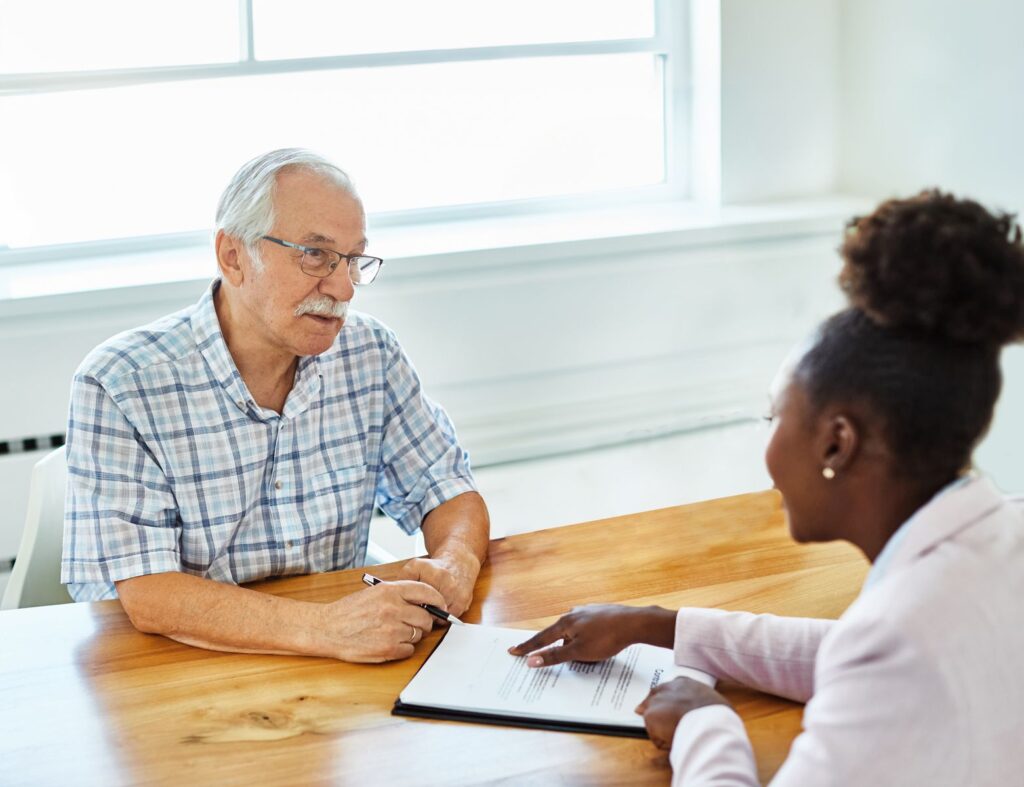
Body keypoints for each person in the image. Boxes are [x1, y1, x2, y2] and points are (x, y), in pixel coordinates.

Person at [511, 190, 1024, 784]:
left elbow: (877, 657)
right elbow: (850, 652)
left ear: (837, 442)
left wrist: (705, 725)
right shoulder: (1002, 535)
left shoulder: (900, 643)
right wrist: (659, 625)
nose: (769, 451)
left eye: (774, 417)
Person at [61, 148, 489, 663]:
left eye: (354, 259)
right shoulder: (120, 383)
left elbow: (446, 487)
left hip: (334, 661)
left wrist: (456, 562)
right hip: (180, 664)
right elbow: (149, 594)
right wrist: (327, 628)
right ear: (233, 256)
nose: (343, 286)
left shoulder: (370, 350)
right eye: (315, 254)